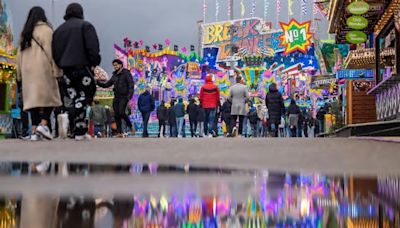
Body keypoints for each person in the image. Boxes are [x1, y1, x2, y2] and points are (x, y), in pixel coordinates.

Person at [52, 3, 101, 140]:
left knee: (74, 98)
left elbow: (55, 53)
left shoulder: (59, 31)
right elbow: (93, 48)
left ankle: (79, 131)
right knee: (88, 94)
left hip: (65, 70)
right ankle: (68, 116)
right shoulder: (86, 26)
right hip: (82, 68)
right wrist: (94, 62)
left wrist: (61, 65)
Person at [16, 6, 62, 141]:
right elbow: (51, 52)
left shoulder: (25, 33)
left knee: (32, 102)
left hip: (27, 72)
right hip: (43, 70)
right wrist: (57, 70)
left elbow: (18, 55)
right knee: (51, 99)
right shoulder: (46, 30)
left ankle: (35, 131)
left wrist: (19, 74)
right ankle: (43, 124)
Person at [97, 59, 134, 137]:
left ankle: (130, 126)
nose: (115, 66)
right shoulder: (114, 75)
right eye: (114, 65)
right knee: (116, 115)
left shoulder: (126, 73)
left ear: (120, 65)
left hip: (124, 96)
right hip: (116, 97)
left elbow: (131, 84)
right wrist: (97, 82)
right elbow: (106, 84)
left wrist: (129, 96)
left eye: (116, 65)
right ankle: (119, 132)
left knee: (121, 112)